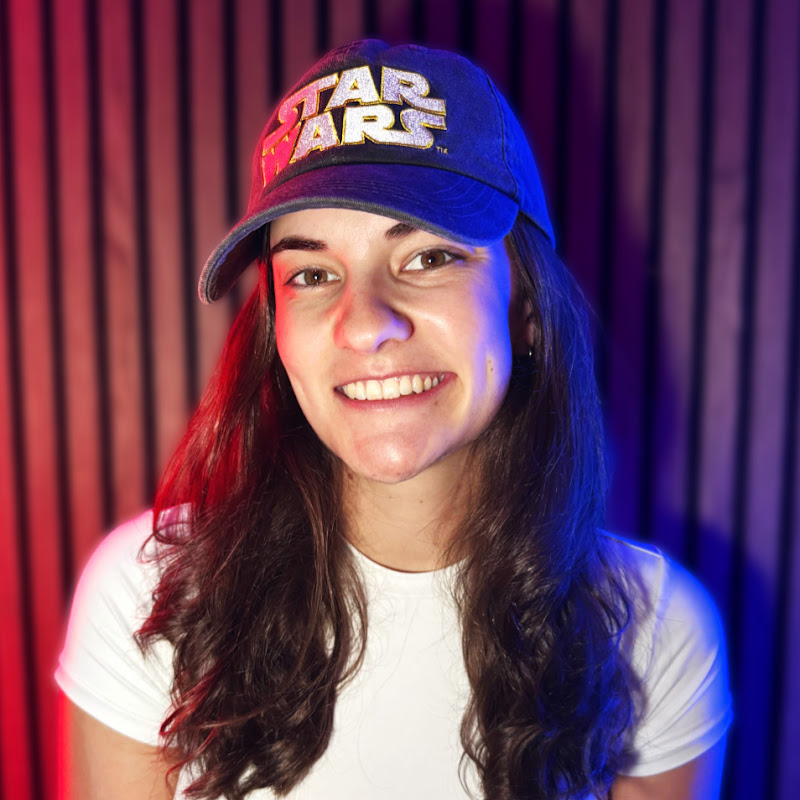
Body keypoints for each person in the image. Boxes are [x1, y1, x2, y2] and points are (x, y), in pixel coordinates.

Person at [56, 40, 732, 800]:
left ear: (525, 307)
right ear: (276, 331)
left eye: (429, 258)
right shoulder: (153, 599)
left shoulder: (651, 632)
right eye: (313, 273)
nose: (365, 323)